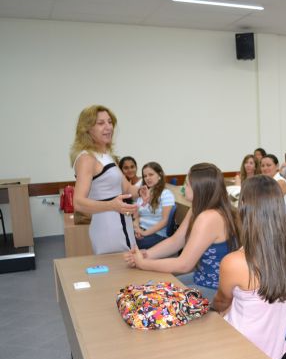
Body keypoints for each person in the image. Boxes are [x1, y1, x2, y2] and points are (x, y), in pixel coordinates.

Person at [212, 175, 286, 359]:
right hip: (273, 350)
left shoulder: (235, 262)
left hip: (241, 351)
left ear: (244, 207)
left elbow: (220, 303)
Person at [125, 163, 241, 301]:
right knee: (151, 290)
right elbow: (177, 240)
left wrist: (143, 264)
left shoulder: (209, 217)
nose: (183, 188)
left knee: (152, 299)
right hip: (201, 278)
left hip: (216, 289)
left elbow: (184, 264)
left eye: (187, 184)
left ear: (198, 189)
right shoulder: (197, 209)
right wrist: (146, 255)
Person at [70, 105, 139, 255]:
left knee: (128, 265)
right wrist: (111, 205)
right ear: (87, 129)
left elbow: (127, 189)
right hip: (108, 228)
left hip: (123, 224)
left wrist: (144, 190)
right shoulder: (87, 158)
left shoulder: (106, 155)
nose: (108, 127)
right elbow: (78, 202)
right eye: (101, 123)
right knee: (117, 267)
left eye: (110, 122)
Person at [133, 162, 175, 249]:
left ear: (159, 175)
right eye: (145, 176)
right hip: (141, 229)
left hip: (157, 234)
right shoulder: (144, 192)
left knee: (127, 243)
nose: (147, 178)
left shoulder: (166, 194)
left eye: (151, 174)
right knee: (121, 238)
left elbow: (165, 221)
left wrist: (144, 233)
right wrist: (137, 229)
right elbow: (136, 216)